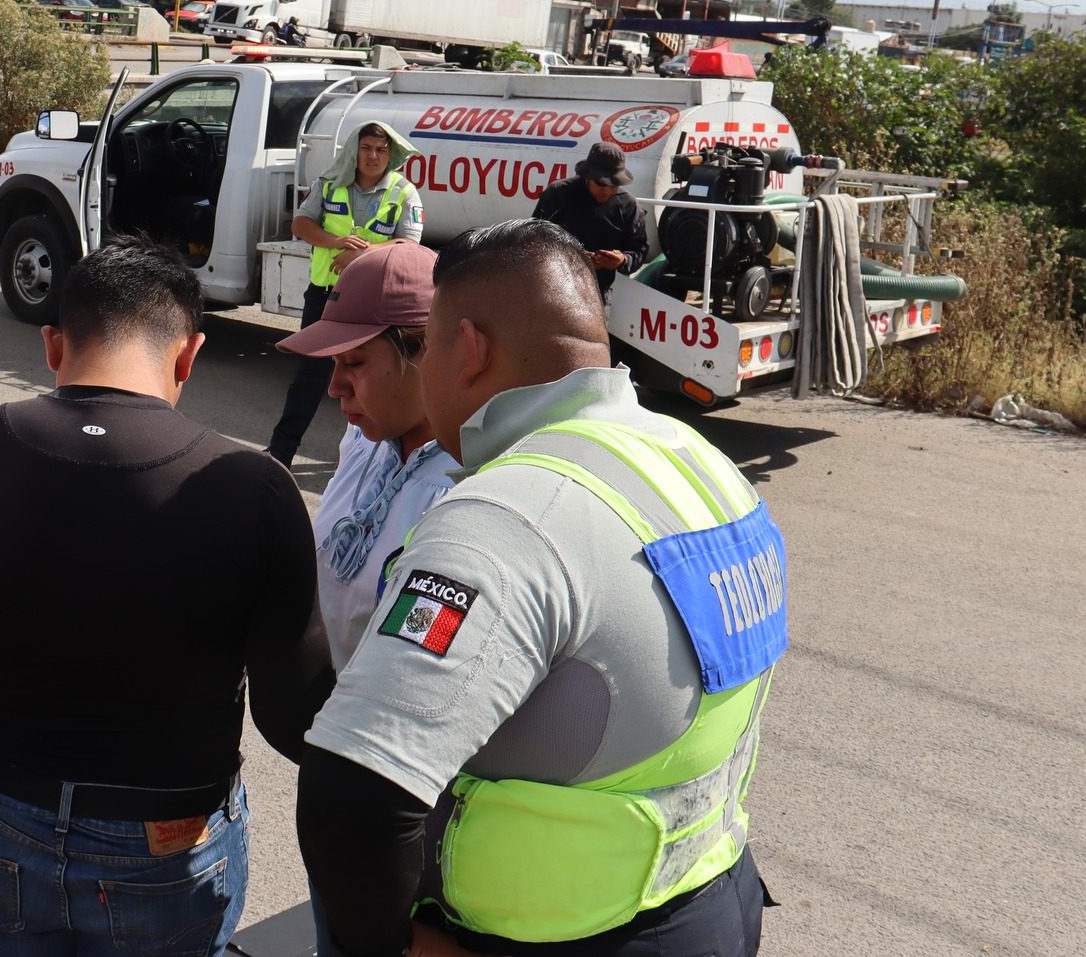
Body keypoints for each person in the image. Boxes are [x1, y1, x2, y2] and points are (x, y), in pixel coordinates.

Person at [298, 220, 784, 957]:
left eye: (426, 345)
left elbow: (352, 798)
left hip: (542, 936)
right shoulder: (704, 468)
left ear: (469, 348)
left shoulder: (507, 514)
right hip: (709, 902)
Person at [0, 236, 331, 956]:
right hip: (170, 843)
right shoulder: (254, 489)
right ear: (189, 355)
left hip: (2, 826)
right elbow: (293, 719)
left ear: (53, 344)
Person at [276, 240, 453, 670]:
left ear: (426, 350)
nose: (335, 387)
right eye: (334, 364)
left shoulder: (468, 487)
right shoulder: (361, 438)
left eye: (354, 364)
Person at [269, 121, 424, 466]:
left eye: (381, 150)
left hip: (375, 305)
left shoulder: (403, 191)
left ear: (391, 155)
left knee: (373, 381)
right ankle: (280, 455)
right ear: (355, 151)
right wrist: (336, 242)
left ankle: (374, 461)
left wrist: (363, 255)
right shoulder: (328, 184)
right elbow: (301, 225)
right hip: (326, 298)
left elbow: (408, 245)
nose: (373, 156)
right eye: (366, 148)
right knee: (308, 379)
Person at [530, 142, 648, 296]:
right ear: (587, 177)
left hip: (604, 292)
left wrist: (622, 260)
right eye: (601, 184)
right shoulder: (558, 194)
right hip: (557, 288)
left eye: (614, 184)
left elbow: (638, 249)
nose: (607, 191)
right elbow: (534, 240)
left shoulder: (628, 205)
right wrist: (573, 257)